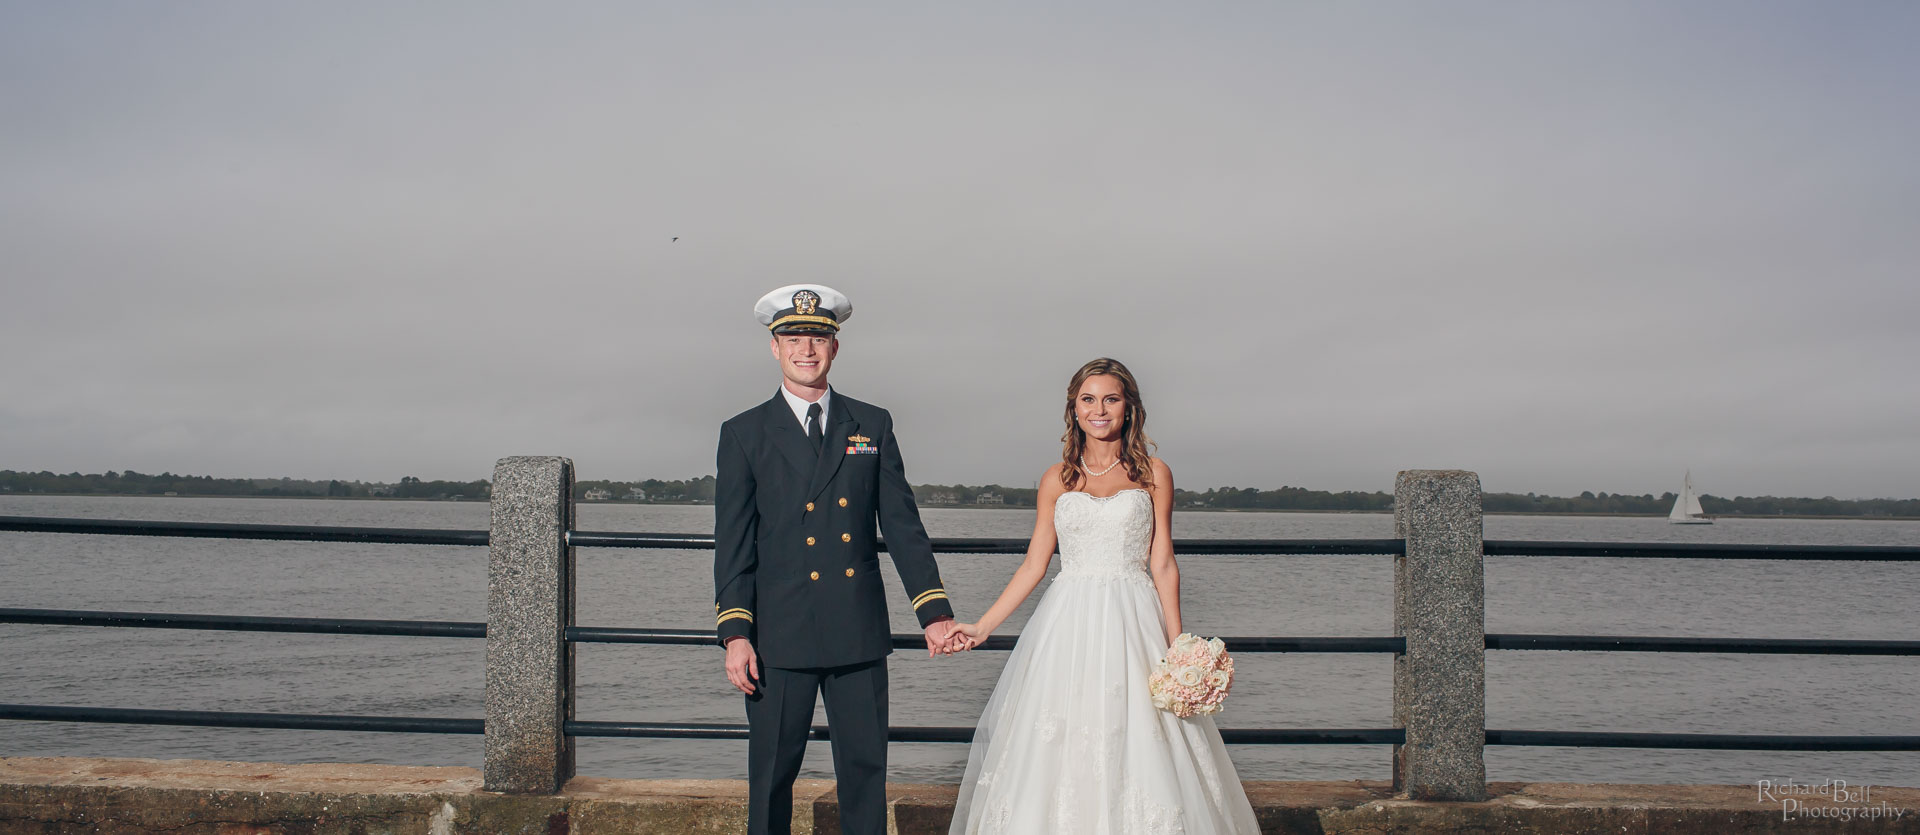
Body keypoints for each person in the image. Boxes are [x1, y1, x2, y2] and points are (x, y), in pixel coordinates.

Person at [944, 357, 1260, 834]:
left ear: (1129, 408)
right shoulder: (1057, 479)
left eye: (1111, 399)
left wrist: (1178, 648)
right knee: (1060, 739)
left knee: (1141, 737)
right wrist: (983, 625)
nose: (1099, 409)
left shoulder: (1154, 472)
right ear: (1073, 409)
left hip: (1133, 620)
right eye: (1088, 399)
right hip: (1067, 622)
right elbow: (1035, 563)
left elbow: (1163, 563)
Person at [714, 284, 963, 835]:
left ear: (836, 347)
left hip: (856, 629)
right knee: (772, 775)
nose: (807, 349)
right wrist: (736, 633)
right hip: (779, 636)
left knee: (865, 772)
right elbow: (732, 542)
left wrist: (934, 612)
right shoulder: (744, 432)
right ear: (774, 348)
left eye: (818, 338)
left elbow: (901, 524)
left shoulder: (870, 424)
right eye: (795, 338)